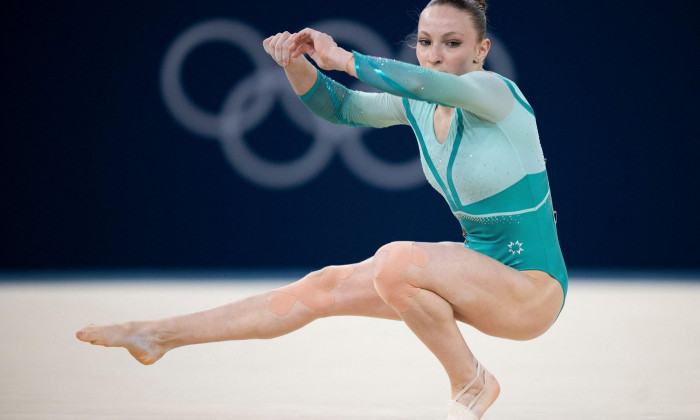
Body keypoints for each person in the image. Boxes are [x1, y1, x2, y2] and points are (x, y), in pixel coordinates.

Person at [76, 1, 567, 418]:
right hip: (478, 275)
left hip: (531, 293)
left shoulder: (496, 93)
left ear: (482, 50)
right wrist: (296, 63)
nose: (434, 56)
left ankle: (471, 383)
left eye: (452, 44)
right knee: (321, 287)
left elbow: (423, 84)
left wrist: (343, 56)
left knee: (397, 263)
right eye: (424, 42)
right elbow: (343, 108)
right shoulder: (417, 106)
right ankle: (159, 336)